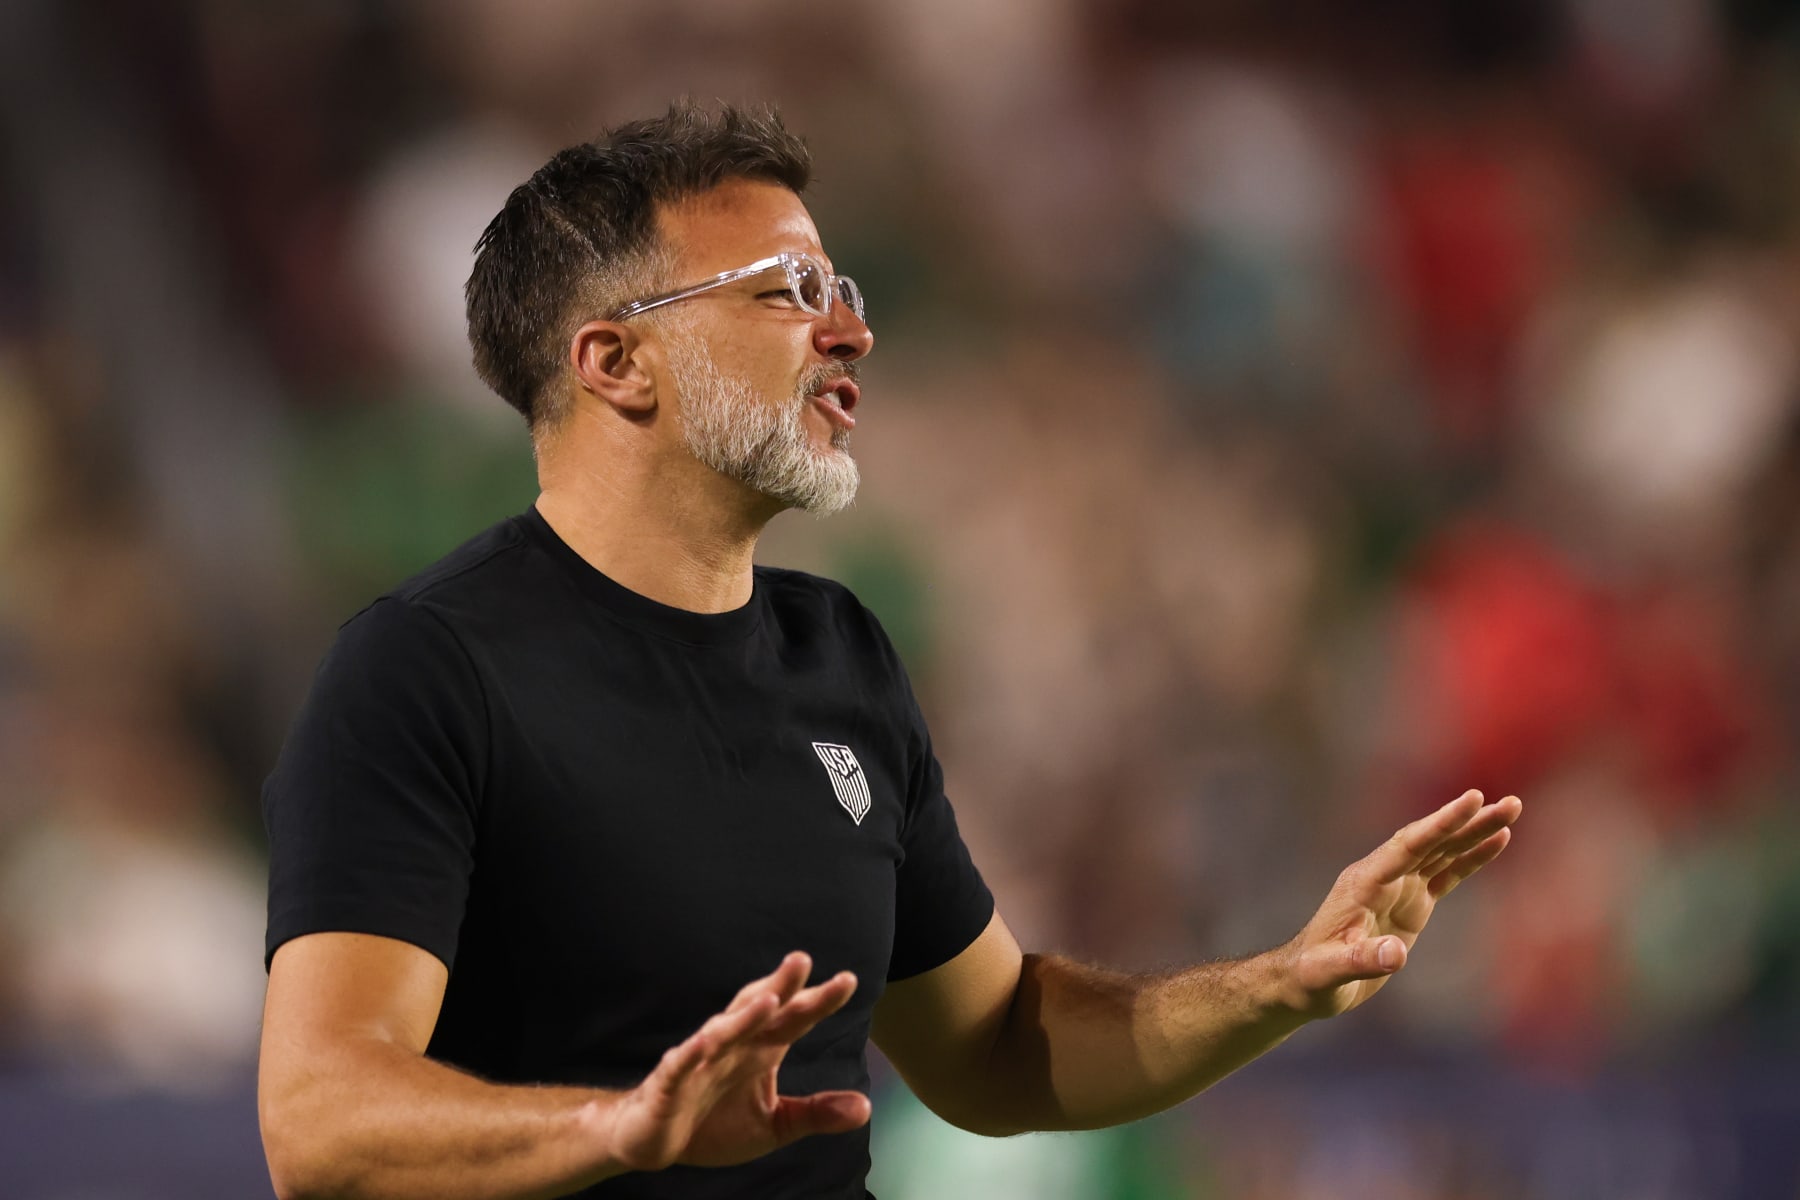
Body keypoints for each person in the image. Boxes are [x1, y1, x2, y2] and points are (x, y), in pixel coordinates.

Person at [256, 103, 1522, 1200]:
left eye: (842, 293)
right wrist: (620, 1130)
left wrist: (1275, 987)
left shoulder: (841, 655)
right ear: (614, 362)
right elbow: (317, 1120)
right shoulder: (425, 673)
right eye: (785, 294)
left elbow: (999, 1048)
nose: (848, 335)